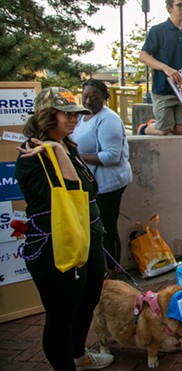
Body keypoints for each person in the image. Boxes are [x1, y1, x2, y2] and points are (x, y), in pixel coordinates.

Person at [14, 87, 113, 370]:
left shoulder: (67, 147)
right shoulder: (34, 156)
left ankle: (79, 355)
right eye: (66, 114)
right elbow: (74, 192)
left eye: (76, 114)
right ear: (47, 116)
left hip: (88, 239)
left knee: (87, 301)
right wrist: (57, 151)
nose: (73, 119)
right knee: (61, 315)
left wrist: (62, 149)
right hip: (57, 247)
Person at [71, 80, 133, 280]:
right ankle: (99, 269)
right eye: (85, 97)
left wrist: (77, 157)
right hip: (91, 183)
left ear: (105, 98)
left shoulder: (109, 120)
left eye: (94, 98)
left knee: (107, 227)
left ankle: (113, 272)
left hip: (109, 184)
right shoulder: (82, 117)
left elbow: (111, 157)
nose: (88, 101)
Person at [138, 0, 182, 135]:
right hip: (163, 88)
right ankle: (144, 128)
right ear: (169, 8)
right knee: (163, 130)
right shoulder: (157, 31)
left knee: (180, 130)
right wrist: (165, 68)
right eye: (179, 5)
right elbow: (143, 56)